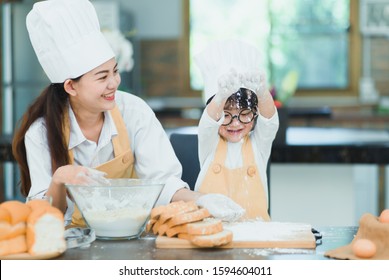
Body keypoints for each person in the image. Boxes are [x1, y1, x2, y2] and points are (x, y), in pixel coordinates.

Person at [12, 0, 243, 226]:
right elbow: (43, 218)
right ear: (71, 86)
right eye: (102, 77)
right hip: (72, 246)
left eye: (115, 71)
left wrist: (201, 200)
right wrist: (60, 178)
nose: (114, 83)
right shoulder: (40, 133)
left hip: (135, 236)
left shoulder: (134, 111)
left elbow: (162, 182)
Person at [194, 39, 279, 220]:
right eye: (226, 115)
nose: (235, 123)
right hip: (211, 232)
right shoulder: (210, 144)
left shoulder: (258, 145)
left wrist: (262, 91)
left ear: (255, 114)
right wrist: (221, 96)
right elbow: (207, 124)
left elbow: (270, 122)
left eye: (244, 114)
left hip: (257, 234)